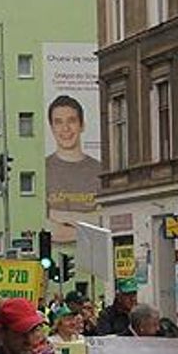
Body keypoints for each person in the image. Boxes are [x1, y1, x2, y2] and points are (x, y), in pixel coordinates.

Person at [45, 94, 103, 244]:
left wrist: (60, 218)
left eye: (71, 121)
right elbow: (46, 229)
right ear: (51, 127)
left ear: (82, 125)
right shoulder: (42, 169)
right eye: (58, 122)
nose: (65, 129)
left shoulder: (101, 171)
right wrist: (89, 221)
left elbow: (107, 223)